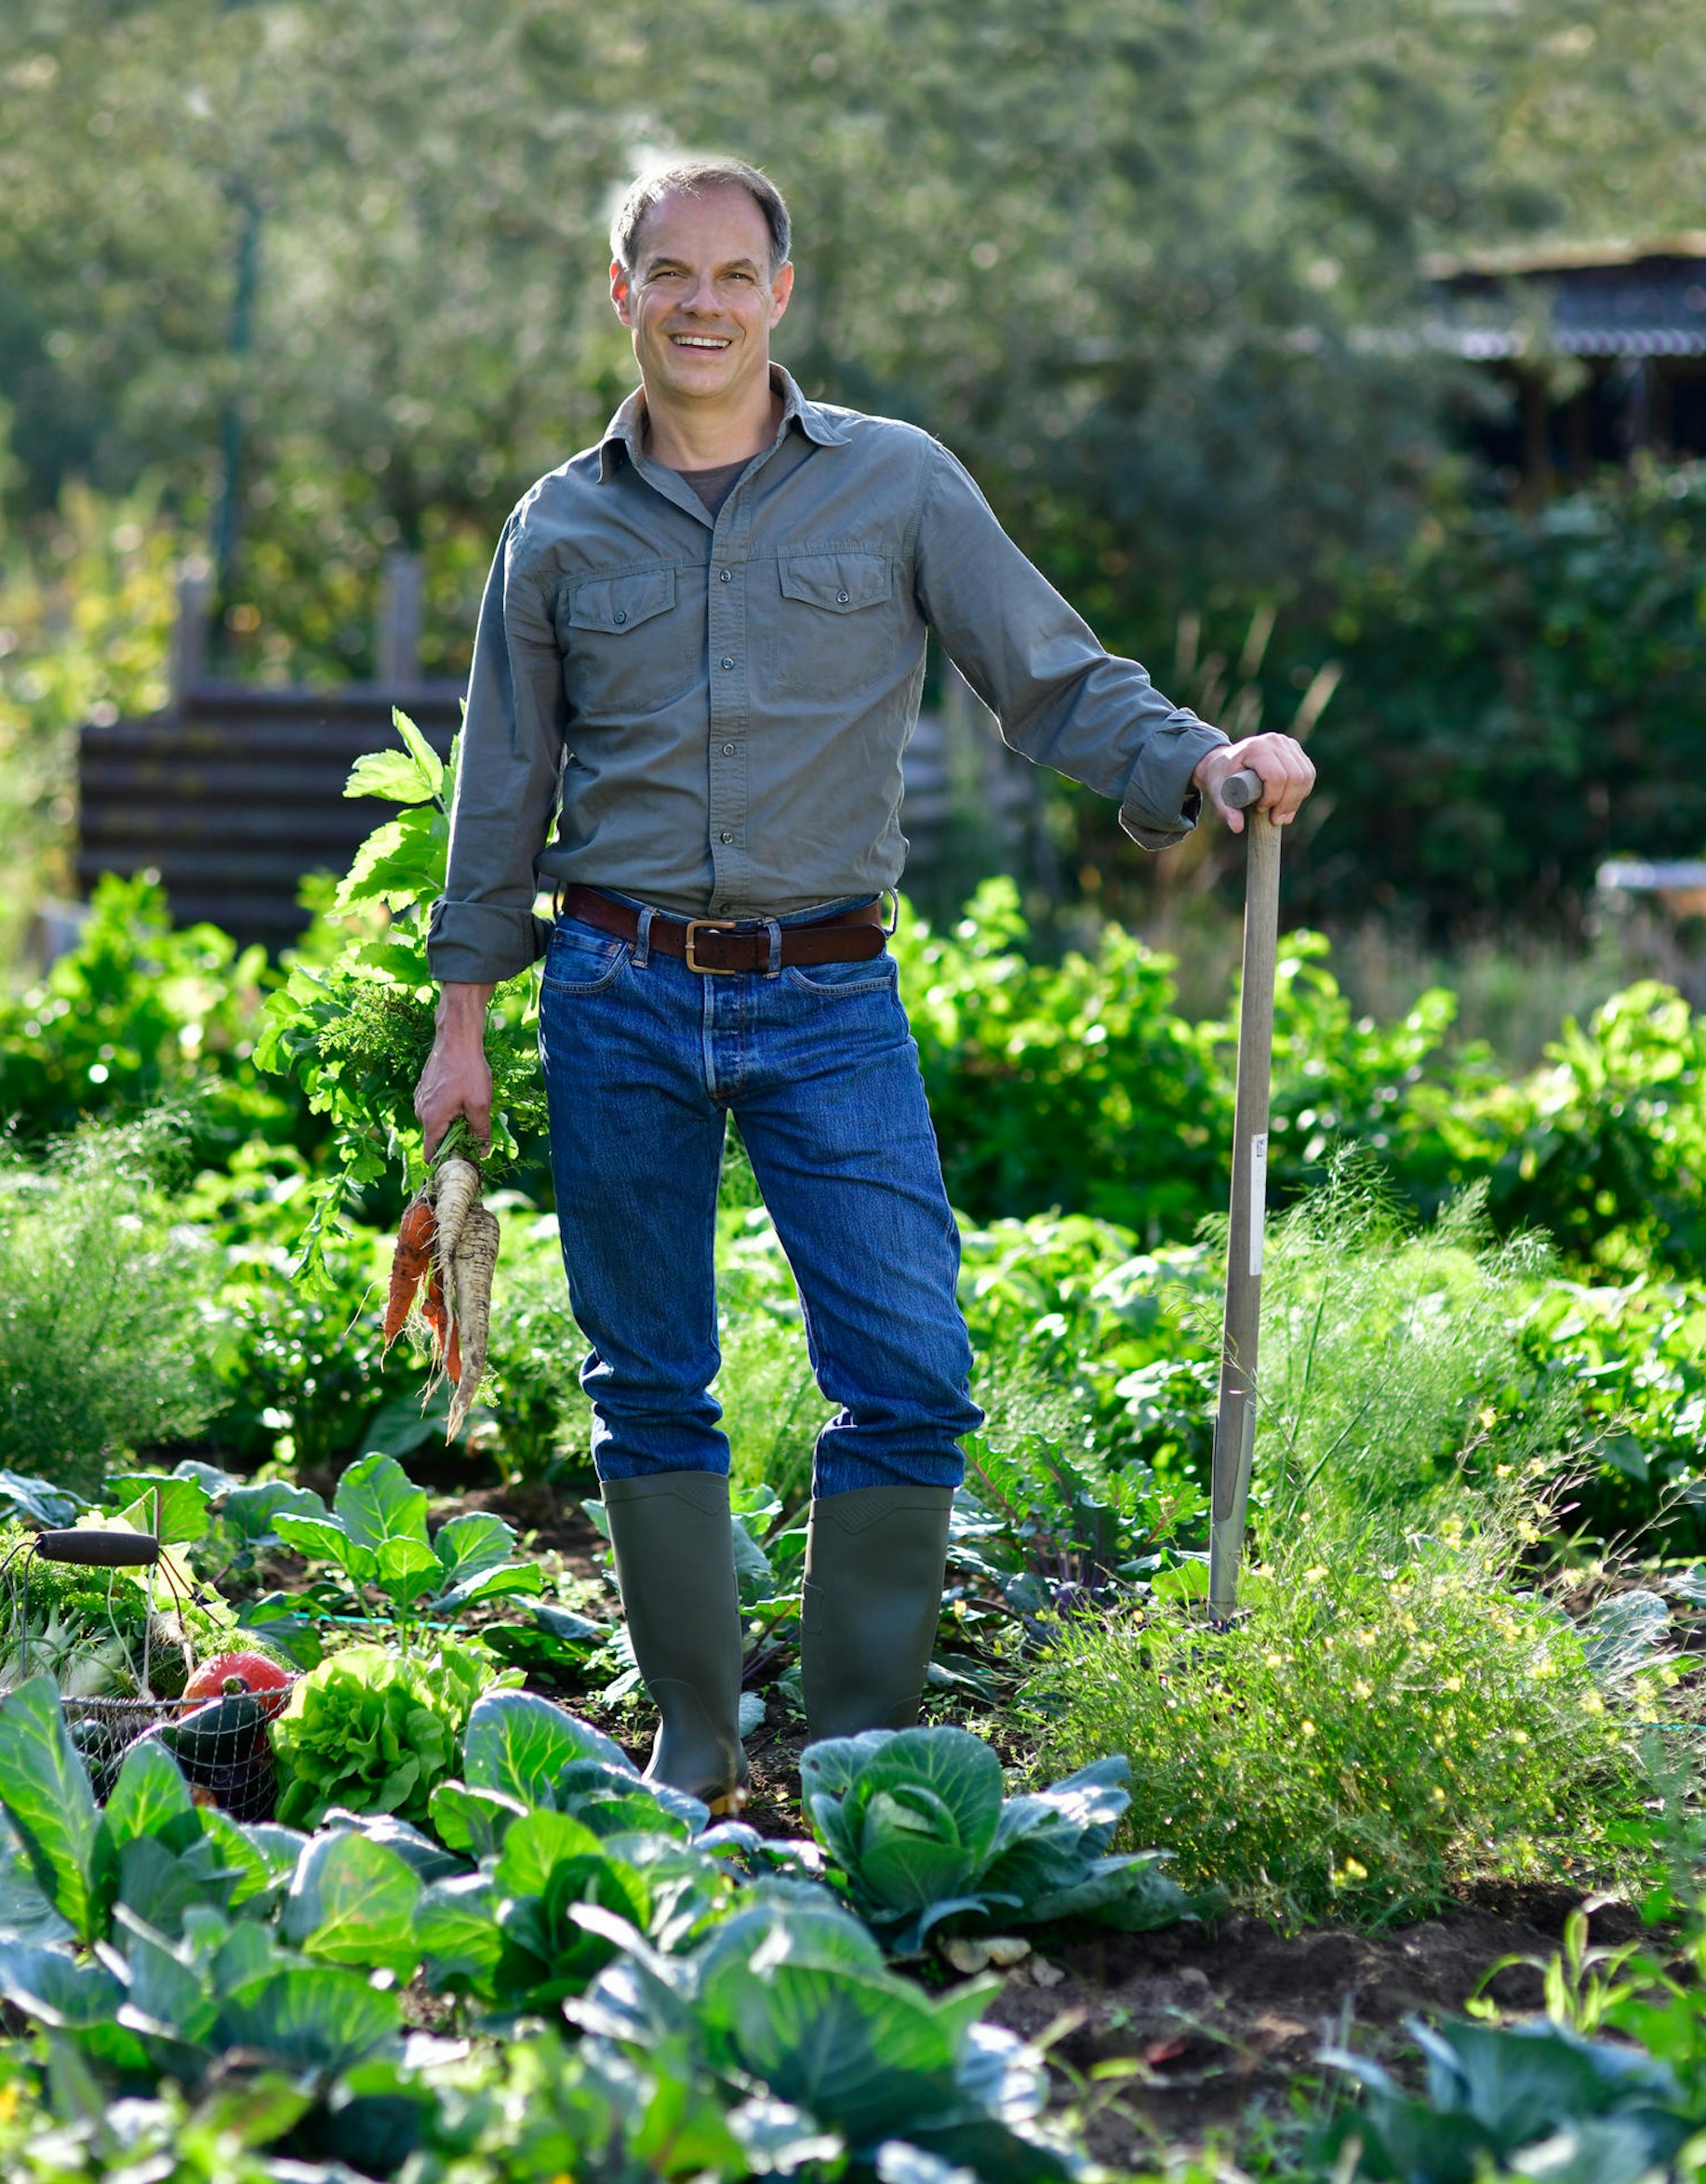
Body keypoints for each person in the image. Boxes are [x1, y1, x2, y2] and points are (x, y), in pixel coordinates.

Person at [415, 156, 1315, 1813]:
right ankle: (696, 1730)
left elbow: (1047, 678)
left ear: (780, 292)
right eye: (666, 273)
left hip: (827, 993)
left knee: (908, 1371)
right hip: (613, 983)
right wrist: (463, 1024)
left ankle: (856, 1748)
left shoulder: (894, 486)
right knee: (647, 1375)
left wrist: (1204, 763)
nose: (700, 303)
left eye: (731, 273)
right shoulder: (558, 526)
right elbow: (501, 785)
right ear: (621, 293)